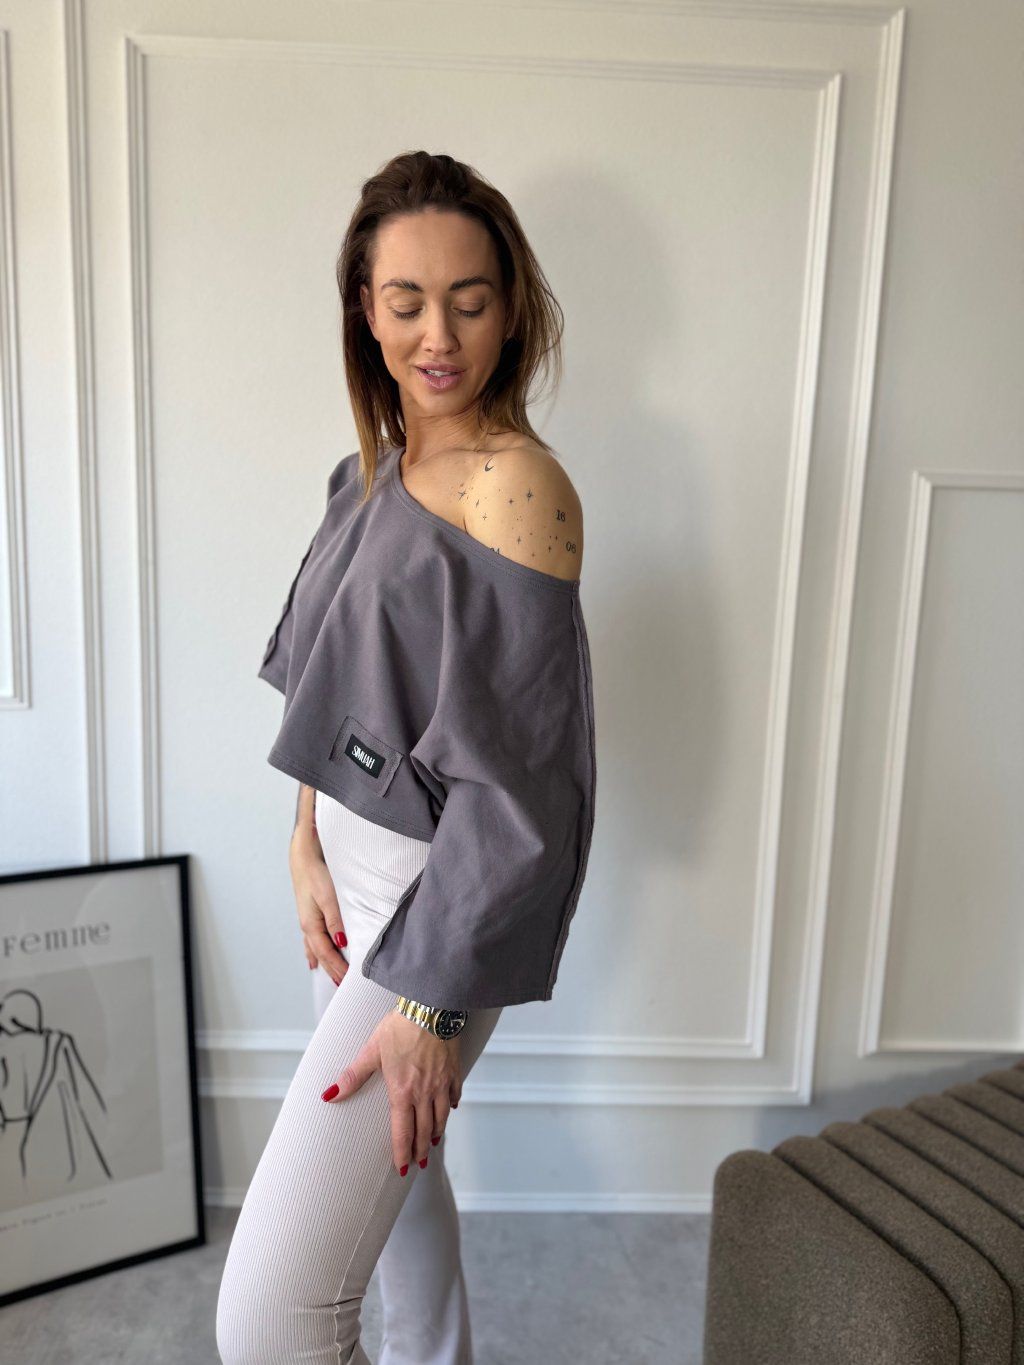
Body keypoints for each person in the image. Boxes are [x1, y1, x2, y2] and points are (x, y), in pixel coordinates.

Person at [216, 149, 596, 1364]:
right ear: (364, 311)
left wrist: (434, 1003)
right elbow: (322, 680)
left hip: (428, 919)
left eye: (470, 301)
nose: (439, 336)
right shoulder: (372, 473)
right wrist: (303, 845)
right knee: (399, 1206)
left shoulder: (516, 489)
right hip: (346, 888)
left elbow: (524, 790)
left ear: (511, 309)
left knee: (268, 1320)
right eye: (407, 301)